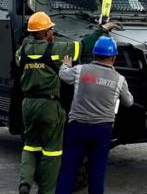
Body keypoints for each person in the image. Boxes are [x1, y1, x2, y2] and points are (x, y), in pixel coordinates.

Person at [17, 12, 119, 194]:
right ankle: (47, 190)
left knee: (30, 146)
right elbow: (84, 46)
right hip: (48, 106)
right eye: (51, 30)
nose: (53, 33)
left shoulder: (21, 52)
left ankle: (25, 181)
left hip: (27, 104)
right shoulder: (56, 50)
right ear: (46, 32)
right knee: (52, 152)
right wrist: (102, 30)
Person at [56, 36, 134, 194]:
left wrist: (66, 64)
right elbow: (129, 102)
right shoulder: (119, 79)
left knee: (68, 170)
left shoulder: (80, 70)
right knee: (97, 174)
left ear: (94, 55)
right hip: (102, 131)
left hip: (77, 126)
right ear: (113, 57)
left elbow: (63, 75)